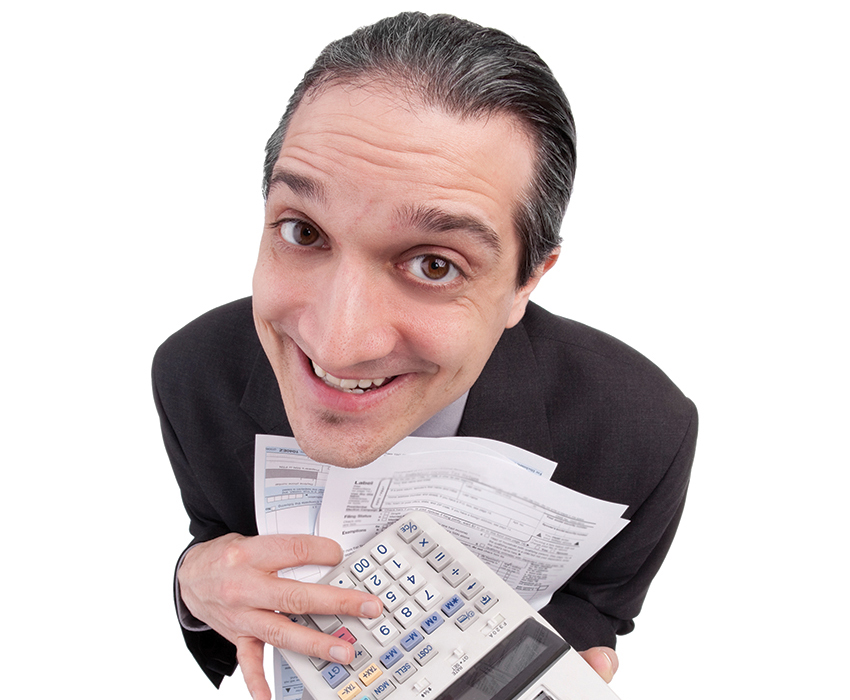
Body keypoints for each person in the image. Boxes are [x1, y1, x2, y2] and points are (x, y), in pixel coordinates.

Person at [153, 12, 697, 700]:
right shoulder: (194, 375)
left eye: (434, 265)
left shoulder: (641, 429)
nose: (338, 343)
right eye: (303, 231)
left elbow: (598, 600)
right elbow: (222, 539)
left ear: (526, 281)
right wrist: (191, 583)